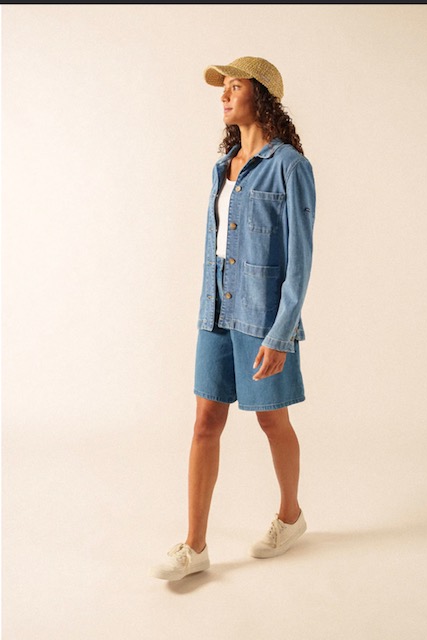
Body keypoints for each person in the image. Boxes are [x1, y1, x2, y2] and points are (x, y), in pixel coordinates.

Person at [152, 56, 316, 581]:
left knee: (272, 420)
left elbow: (300, 259)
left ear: (260, 96)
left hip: (264, 317)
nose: (224, 96)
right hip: (217, 311)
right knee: (205, 421)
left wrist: (282, 332)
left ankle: (290, 517)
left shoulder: (290, 166)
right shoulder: (221, 167)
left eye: (234, 86)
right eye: (222, 88)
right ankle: (194, 546)